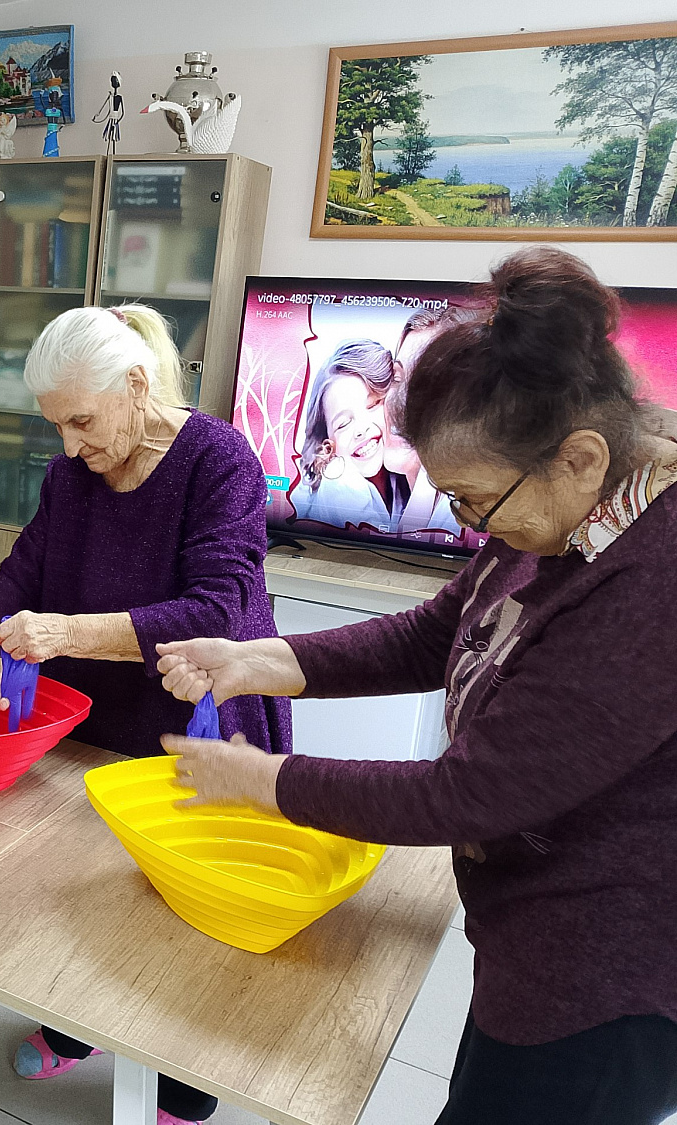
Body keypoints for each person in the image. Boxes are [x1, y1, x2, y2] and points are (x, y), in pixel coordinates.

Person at [156, 247, 677, 1125]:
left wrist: (262, 781)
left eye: (474, 501)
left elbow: (471, 792)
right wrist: (263, 659)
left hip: (615, 967)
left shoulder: (651, 579)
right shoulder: (563, 509)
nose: (469, 524)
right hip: (534, 929)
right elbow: (439, 629)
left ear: (581, 458)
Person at [0, 304, 291, 1125]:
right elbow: (26, 567)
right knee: (91, 885)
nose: (69, 445)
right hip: (105, 710)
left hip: (204, 714)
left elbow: (214, 610)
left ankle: (182, 1079)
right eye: (57, 426)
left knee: (188, 911)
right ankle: (80, 1029)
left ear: (136, 385)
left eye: (80, 420)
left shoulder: (221, 462)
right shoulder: (75, 471)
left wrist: (66, 632)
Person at [290, 339, 406, 531]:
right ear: (326, 442)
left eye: (373, 405)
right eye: (343, 424)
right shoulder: (340, 478)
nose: (360, 430)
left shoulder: (395, 475)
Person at [385, 306, 482, 536]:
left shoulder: (469, 521)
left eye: (424, 384)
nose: (401, 401)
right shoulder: (382, 501)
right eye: (397, 378)